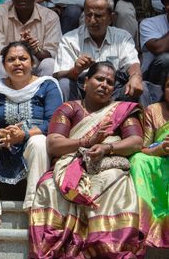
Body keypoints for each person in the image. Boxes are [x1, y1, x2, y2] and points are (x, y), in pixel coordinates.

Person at [29, 61, 145, 258]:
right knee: (48, 186)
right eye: (99, 79)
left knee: (115, 180)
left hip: (107, 165)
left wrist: (107, 147)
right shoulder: (69, 108)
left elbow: (136, 141)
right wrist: (87, 141)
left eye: (109, 82)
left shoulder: (122, 110)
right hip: (70, 165)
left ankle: (107, 248)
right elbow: (54, 144)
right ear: (85, 83)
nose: (104, 85)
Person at [0, 41, 62, 228]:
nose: (17, 63)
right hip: (2, 145)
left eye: (23, 58)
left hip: (31, 147)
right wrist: (2, 133)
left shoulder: (47, 85)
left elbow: (55, 122)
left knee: (39, 141)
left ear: (32, 63)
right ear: (4, 65)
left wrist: (24, 134)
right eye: (11, 59)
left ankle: (35, 206)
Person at [53, 0, 156, 105]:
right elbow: (59, 74)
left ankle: (140, 122)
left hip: (114, 91)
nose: (92, 20)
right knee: (64, 83)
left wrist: (136, 77)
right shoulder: (70, 39)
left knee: (141, 87)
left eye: (98, 16)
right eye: (88, 15)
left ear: (111, 18)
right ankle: (69, 120)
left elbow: (132, 64)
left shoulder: (122, 37)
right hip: (82, 91)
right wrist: (76, 70)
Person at [0, 0, 61, 80]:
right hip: (9, 64)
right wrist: (18, 48)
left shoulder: (50, 17)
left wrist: (36, 50)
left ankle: (42, 95)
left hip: (36, 66)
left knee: (49, 63)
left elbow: (52, 52)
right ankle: (1, 96)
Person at [129, 72, 169, 248]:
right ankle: (147, 225)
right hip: (160, 160)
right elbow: (144, 148)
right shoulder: (154, 110)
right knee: (137, 159)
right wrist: (160, 148)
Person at [139, 0, 169, 87]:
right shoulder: (148, 23)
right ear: (166, 5)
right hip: (152, 78)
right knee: (166, 58)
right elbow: (158, 49)